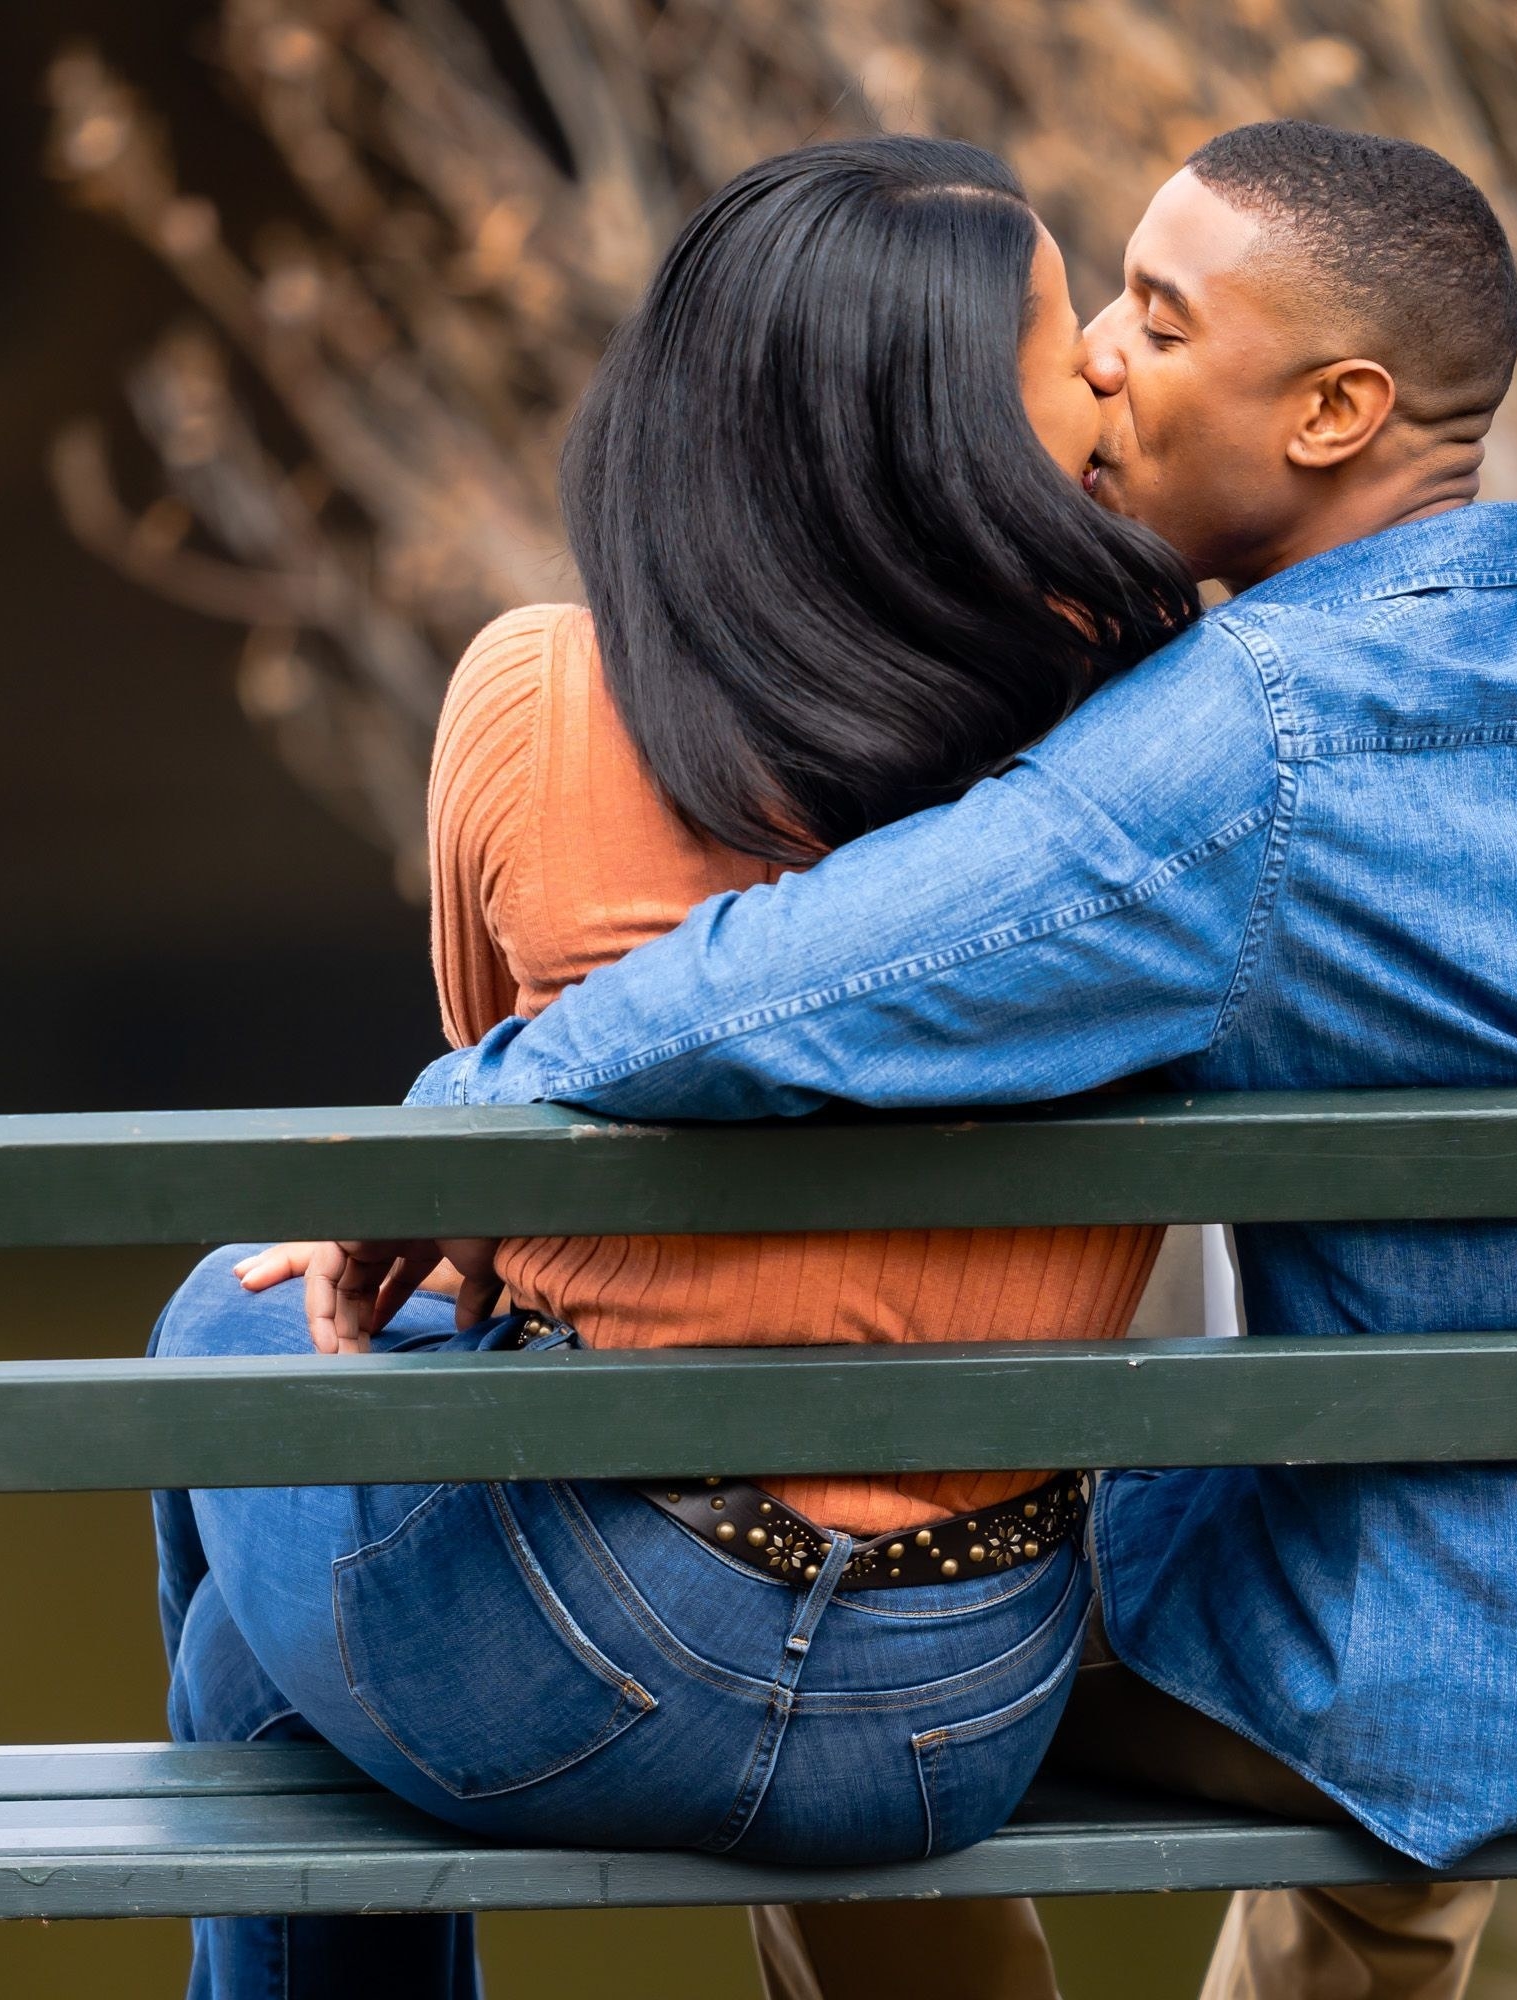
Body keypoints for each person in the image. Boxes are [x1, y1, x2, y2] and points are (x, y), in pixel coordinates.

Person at [404, 121, 1517, 2000]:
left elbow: (771, 996)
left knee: (868, 1607)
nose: (1101, 360)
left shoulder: (1254, 738)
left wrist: (454, 1123)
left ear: (1332, 410)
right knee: (1359, 1503)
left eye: (1158, 314)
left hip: (1466, 1654)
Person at [145, 135, 1198, 2000]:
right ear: (938, 415)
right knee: (257, 1653)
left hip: (603, 1662)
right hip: (968, 1704)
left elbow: (510, 1125)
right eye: (1064, 331)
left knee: (225, 1334)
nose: (1112, 359)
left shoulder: (549, 695)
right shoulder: (1147, 750)